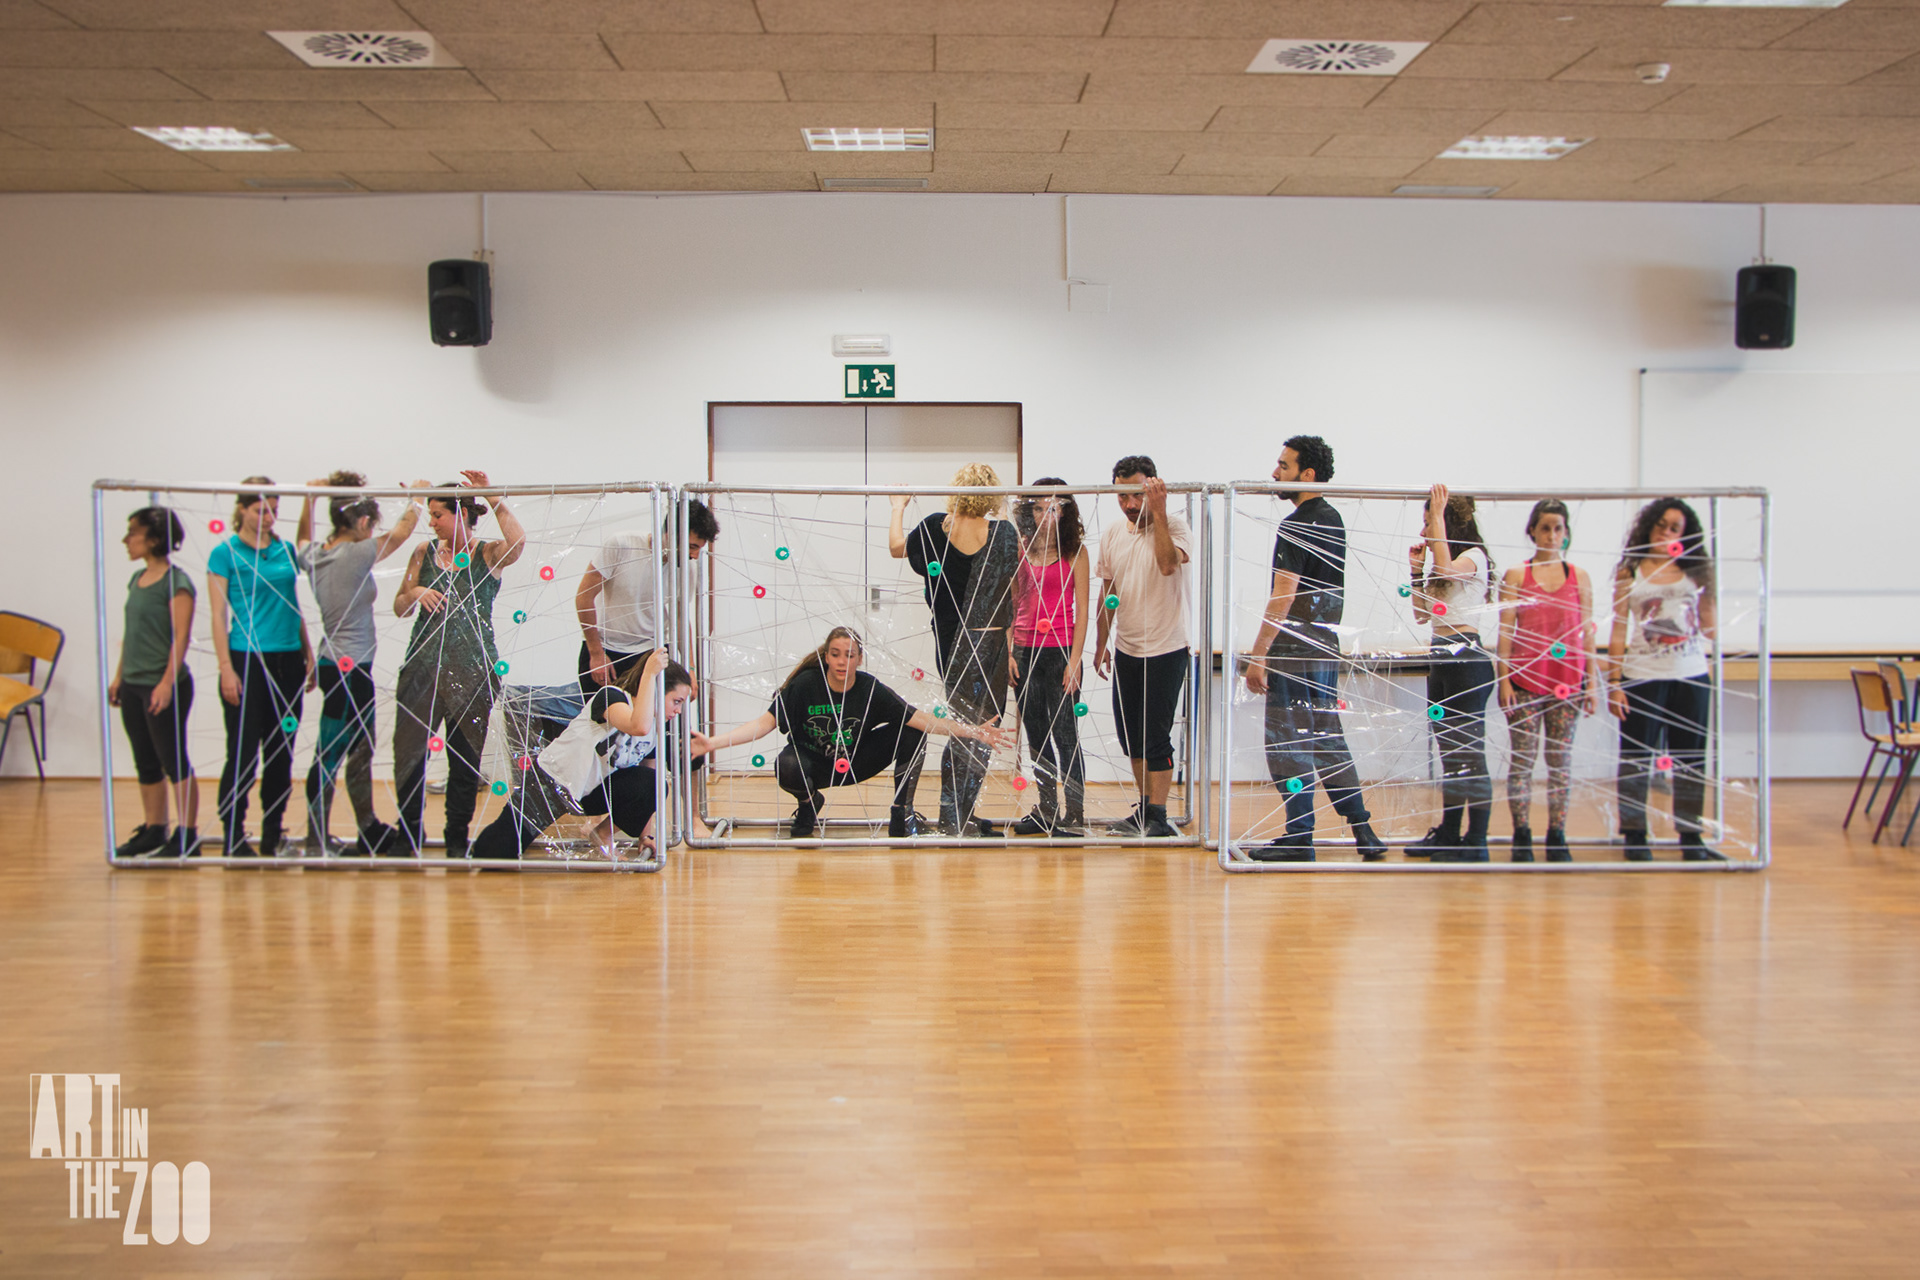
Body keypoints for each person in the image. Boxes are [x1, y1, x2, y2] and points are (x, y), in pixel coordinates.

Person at [694, 626, 1014, 840]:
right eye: (835, 654)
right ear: (826, 655)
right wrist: (712, 744)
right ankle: (808, 805)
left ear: (859, 659)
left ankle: (901, 816)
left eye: (849, 655)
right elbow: (763, 724)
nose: (842, 662)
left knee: (912, 732)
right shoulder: (805, 685)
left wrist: (973, 732)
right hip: (813, 765)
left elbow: (922, 719)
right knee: (786, 765)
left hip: (856, 762)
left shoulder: (870, 688)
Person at [1241, 437, 1387, 863]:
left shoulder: (1297, 524)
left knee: (1288, 743)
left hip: (1293, 651)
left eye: (1283, 466)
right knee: (1327, 739)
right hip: (1324, 649)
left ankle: (1299, 837)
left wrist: (1259, 654)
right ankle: (1363, 830)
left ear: (1307, 474)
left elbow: (1284, 594)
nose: (1274, 474)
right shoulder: (1333, 518)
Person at [391, 471, 525, 858]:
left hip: (474, 673)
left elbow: (518, 544)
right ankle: (407, 834)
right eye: (430, 515)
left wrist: (492, 497)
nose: (431, 522)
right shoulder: (423, 553)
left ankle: (456, 837)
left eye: (438, 515)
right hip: (421, 670)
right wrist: (416, 591)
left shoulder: (487, 554)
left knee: (464, 760)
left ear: (462, 514)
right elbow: (399, 606)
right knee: (409, 755)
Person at [294, 472, 427, 856]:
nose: (373, 532)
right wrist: (417, 498)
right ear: (363, 521)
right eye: (371, 525)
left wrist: (309, 499)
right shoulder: (353, 555)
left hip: (337, 665)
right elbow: (401, 533)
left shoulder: (316, 554)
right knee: (331, 754)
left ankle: (367, 828)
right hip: (348, 671)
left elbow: (301, 538)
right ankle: (316, 839)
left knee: (360, 750)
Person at [889, 464, 1020, 835]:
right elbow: (1010, 582)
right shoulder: (1001, 532)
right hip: (990, 641)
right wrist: (1002, 508)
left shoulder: (934, 527)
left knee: (968, 728)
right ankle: (955, 814)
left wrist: (898, 507)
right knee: (983, 728)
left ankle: (958, 812)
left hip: (951, 642)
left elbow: (896, 548)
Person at [470, 649, 693, 861]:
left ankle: (602, 834)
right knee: (494, 853)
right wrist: (650, 673)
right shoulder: (612, 697)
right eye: (676, 702)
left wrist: (645, 836)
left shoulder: (655, 727)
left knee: (656, 783)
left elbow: (649, 782)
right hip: (553, 781)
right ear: (656, 690)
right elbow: (638, 726)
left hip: (592, 792)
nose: (679, 711)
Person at [1607, 497, 1723, 862]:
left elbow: (1711, 629)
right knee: (1636, 758)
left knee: (1691, 758)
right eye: (1661, 525)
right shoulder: (1631, 570)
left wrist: (1709, 591)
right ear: (1649, 527)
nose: (1667, 533)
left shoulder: (1694, 570)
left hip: (1691, 675)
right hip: (1641, 677)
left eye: (1675, 529)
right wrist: (1613, 684)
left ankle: (1691, 836)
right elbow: (1618, 630)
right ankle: (1634, 835)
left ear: (1684, 535)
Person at [208, 477, 311, 858]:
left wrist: (307, 653)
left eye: (274, 510)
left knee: (281, 752)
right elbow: (218, 615)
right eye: (260, 510)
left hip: (288, 662)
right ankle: (233, 836)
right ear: (242, 509)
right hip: (247, 662)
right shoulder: (224, 553)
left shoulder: (285, 549)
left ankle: (272, 833)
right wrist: (225, 668)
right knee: (242, 753)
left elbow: (292, 603)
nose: (268, 517)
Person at [1093, 455, 1194, 839]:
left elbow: (1168, 565)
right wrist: (1101, 644)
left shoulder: (1175, 527)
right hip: (1127, 649)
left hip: (1166, 649)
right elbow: (1108, 592)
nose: (1130, 504)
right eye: (1122, 496)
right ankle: (1145, 809)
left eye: (1137, 495)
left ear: (1153, 488)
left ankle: (1159, 815)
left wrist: (1160, 512)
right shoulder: (1113, 534)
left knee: (1156, 738)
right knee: (1131, 737)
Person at [1496, 499, 1596, 864]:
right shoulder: (1516, 576)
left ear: (1566, 533)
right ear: (1533, 532)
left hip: (1567, 683)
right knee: (1522, 761)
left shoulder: (1579, 577)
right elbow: (1505, 631)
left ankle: (1557, 835)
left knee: (1560, 761)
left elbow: (1587, 633)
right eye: (1545, 528)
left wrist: (1592, 683)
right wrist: (1504, 681)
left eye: (1558, 528)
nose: (1552, 535)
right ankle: (1521, 834)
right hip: (1524, 682)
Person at [1405, 484, 1497, 863]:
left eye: (1428, 522)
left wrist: (1438, 516)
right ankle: (1449, 832)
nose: (1424, 531)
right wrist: (1415, 572)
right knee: (1451, 754)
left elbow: (1446, 569)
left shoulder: (1473, 557)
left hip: (1467, 658)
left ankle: (1476, 841)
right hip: (1441, 656)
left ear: (1447, 522)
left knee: (1470, 753)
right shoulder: (1442, 564)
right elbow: (1421, 614)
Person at [109, 506, 200, 859]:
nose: (126, 539)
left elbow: (181, 637)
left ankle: (187, 834)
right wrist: (120, 676)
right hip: (133, 684)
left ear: (155, 538)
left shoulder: (177, 583)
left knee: (172, 759)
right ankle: (154, 828)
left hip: (163, 685)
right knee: (145, 760)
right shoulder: (137, 580)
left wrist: (165, 684)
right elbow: (132, 634)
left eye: (133, 532)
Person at [1009, 480, 1089, 836]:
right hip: (1024, 651)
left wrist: (1075, 659)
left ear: (1064, 512)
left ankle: (1075, 813)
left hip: (1061, 651)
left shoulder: (1076, 553)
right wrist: (1009, 652)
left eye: (1053, 508)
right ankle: (1047, 808)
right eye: (1039, 509)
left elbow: (1083, 611)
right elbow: (1011, 605)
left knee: (1066, 734)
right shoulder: (1020, 550)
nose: (1045, 515)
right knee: (1037, 734)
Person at [576, 499, 718, 692]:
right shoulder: (621, 545)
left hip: (650, 652)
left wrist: (690, 668)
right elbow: (584, 597)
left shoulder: (687, 569)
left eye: (699, 548)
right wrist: (596, 652)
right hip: (605, 648)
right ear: (671, 534)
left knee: (658, 711)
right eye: (692, 546)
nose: (694, 555)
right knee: (607, 712)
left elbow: (680, 618)